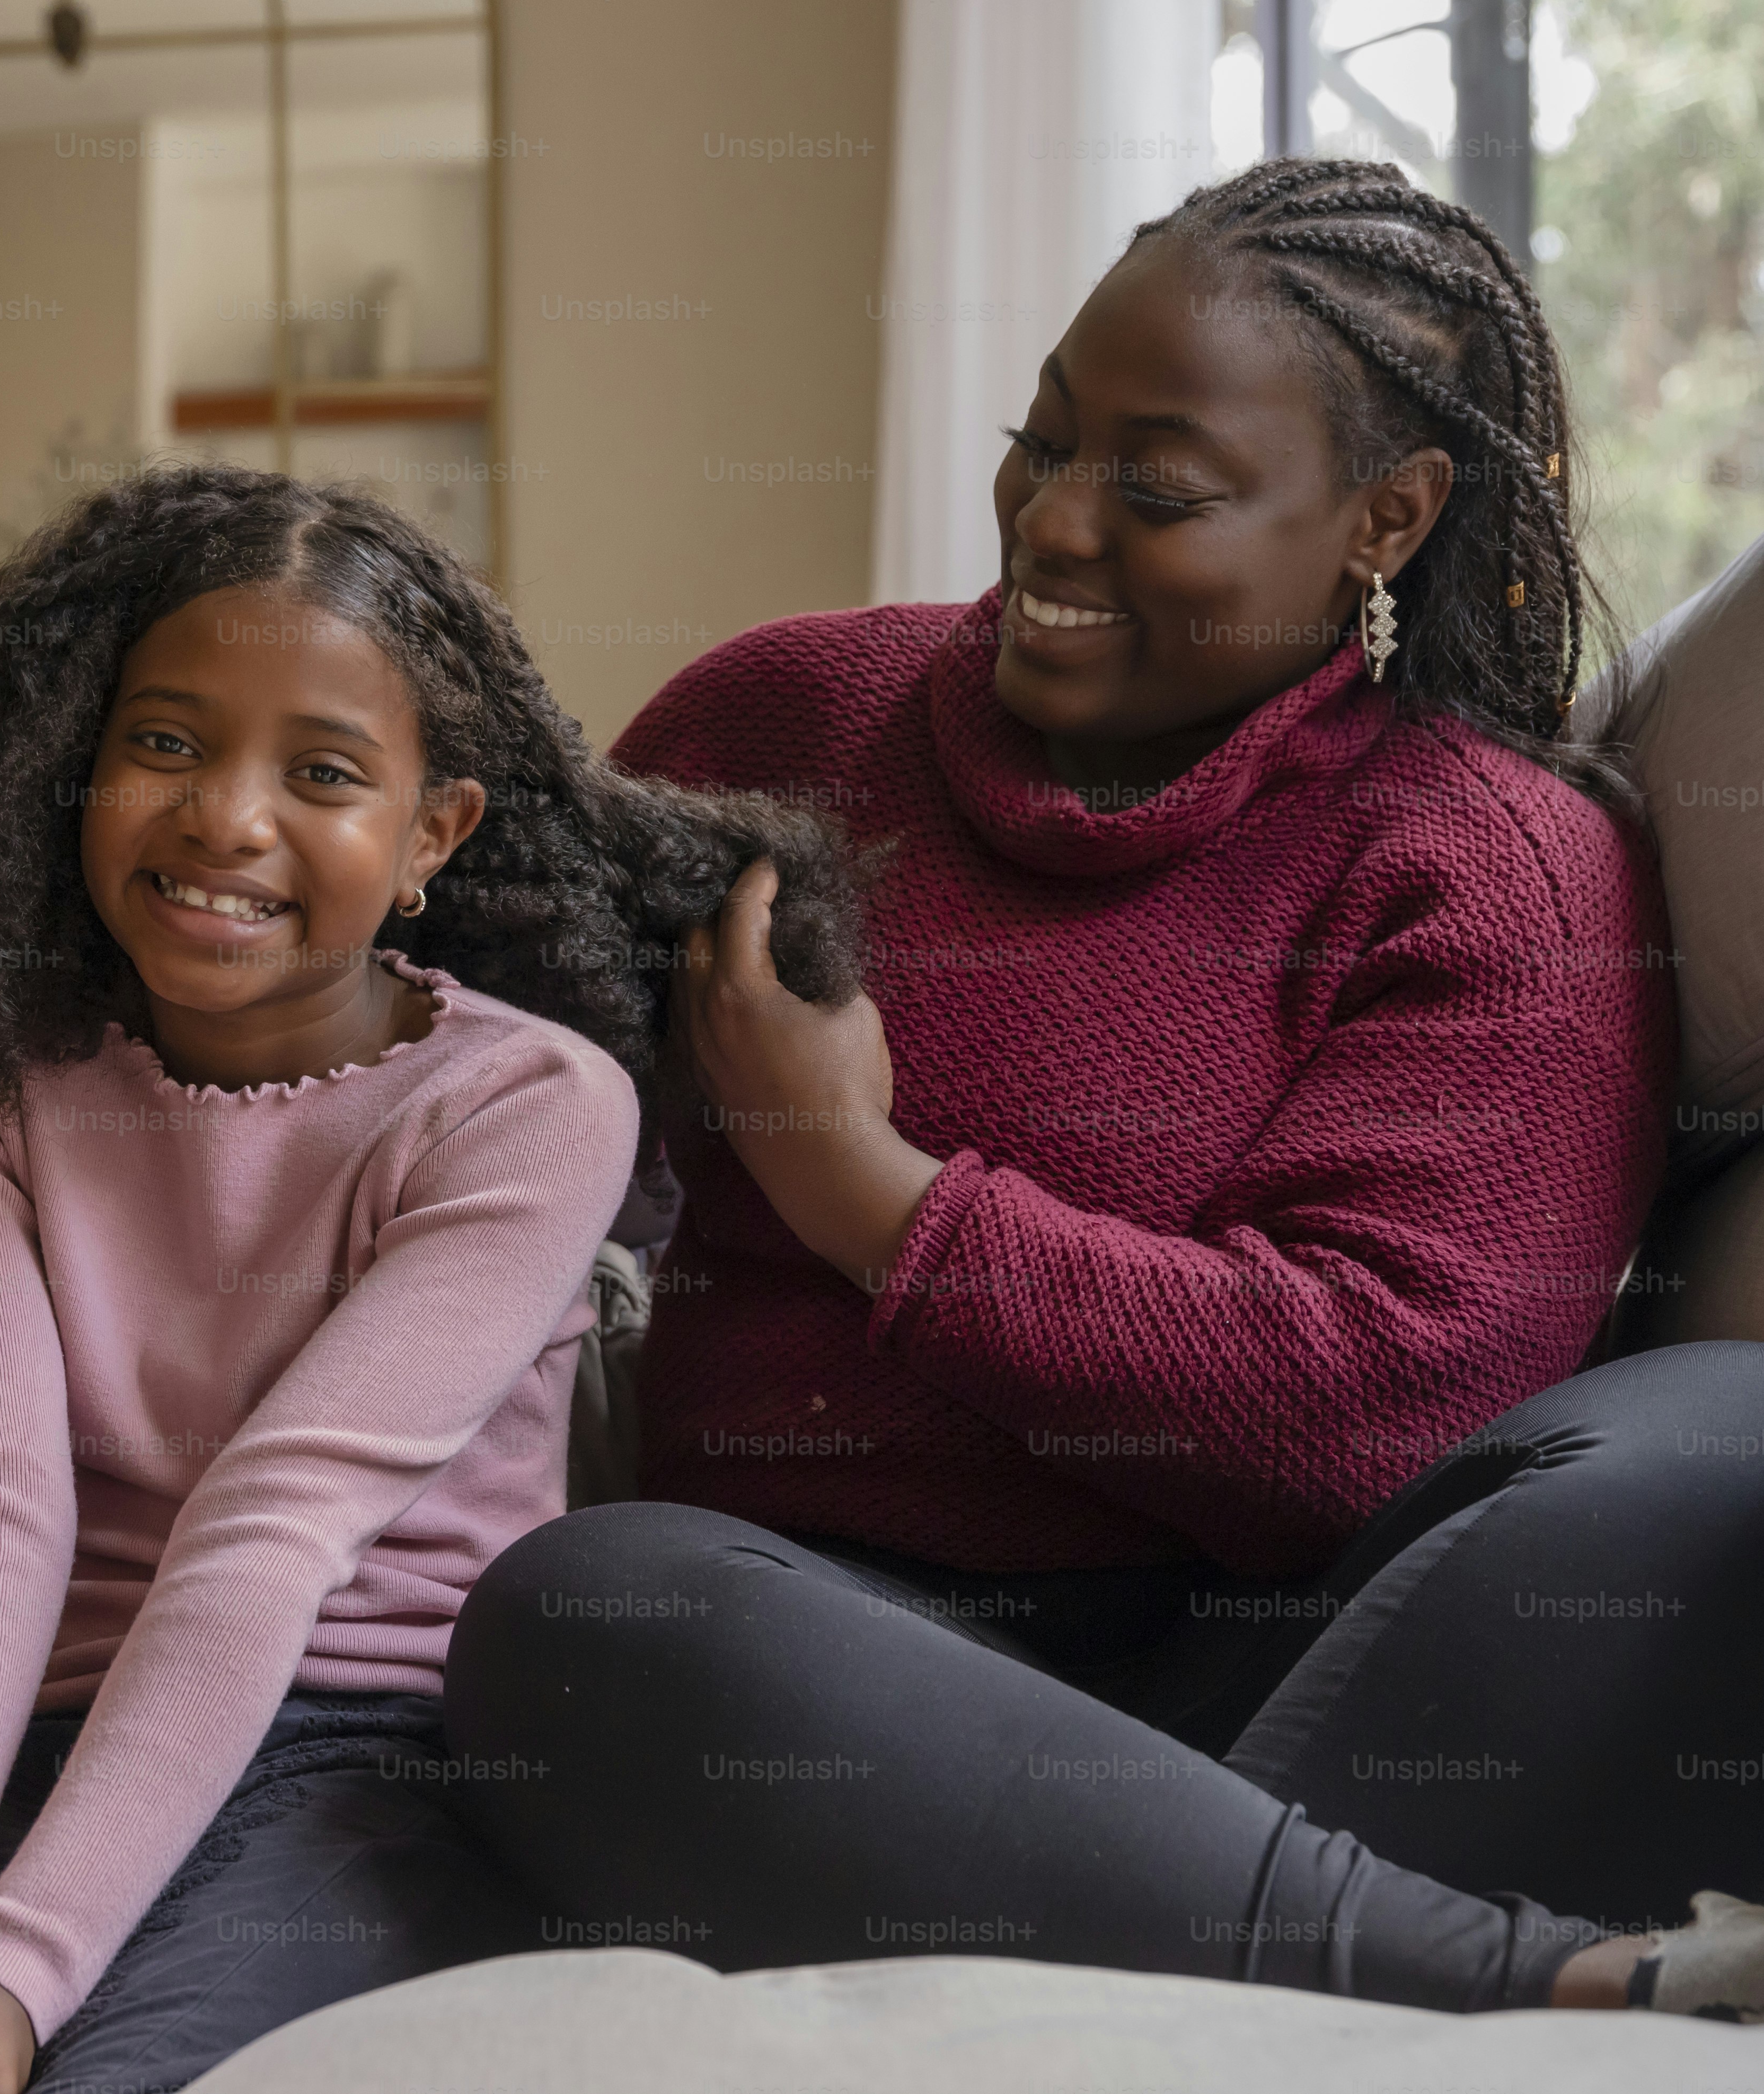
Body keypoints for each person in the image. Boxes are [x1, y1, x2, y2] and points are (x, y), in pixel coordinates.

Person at [445, 157, 1764, 2024]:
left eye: (1155, 487)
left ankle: (1247, 1932)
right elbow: (456, 1071)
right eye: (1036, 442)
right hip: (824, 1666)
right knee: (587, 1610)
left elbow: (1379, 1410)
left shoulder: (1492, 864)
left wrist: (863, 1190)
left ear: (1384, 519)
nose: (1051, 526)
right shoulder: (775, 722)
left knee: (1714, 1424)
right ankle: (1510, 1977)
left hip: (1295, 1691)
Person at [0, 464, 862, 2094]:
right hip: (64, 1733)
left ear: (429, 835)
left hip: (376, 1749)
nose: (227, 818)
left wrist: (20, 1964)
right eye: (166, 743)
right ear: (77, 766)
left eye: (322, 771)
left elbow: (273, 1526)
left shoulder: (525, 1108)